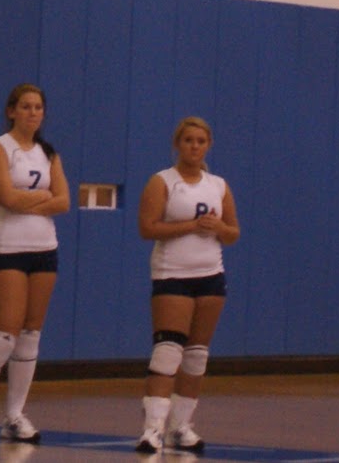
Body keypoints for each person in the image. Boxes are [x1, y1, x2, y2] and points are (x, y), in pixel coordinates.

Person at [0, 83, 70, 446]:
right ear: (11, 111)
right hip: (8, 247)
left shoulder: (49, 153)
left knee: (31, 334)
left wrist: (31, 201)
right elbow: (6, 198)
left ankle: (14, 416)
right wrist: (41, 198)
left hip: (44, 248)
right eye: (25, 107)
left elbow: (64, 201)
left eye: (38, 107)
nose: (33, 113)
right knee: (5, 333)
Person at [135, 116, 239, 455]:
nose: (194, 147)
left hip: (210, 275)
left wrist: (217, 227)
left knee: (196, 356)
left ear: (208, 146)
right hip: (172, 274)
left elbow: (233, 233)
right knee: (168, 351)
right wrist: (191, 225)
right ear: (178, 144)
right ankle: (153, 429)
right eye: (188, 141)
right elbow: (148, 228)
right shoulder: (163, 181)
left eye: (201, 141)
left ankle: (182, 427)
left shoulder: (218, 185)